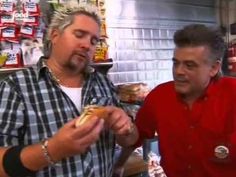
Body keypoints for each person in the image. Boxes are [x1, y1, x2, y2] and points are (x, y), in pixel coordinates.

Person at [0, 3, 138, 177]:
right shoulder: (16, 88)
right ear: (55, 35)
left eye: (94, 41)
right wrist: (54, 150)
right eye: (79, 35)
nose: (87, 45)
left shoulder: (104, 84)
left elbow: (130, 139)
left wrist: (127, 128)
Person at [113, 24, 236, 177]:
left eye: (189, 65)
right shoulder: (159, 96)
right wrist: (119, 164)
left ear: (214, 68)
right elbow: (135, 137)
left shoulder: (232, 94)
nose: (178, 71)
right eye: (176, 63)